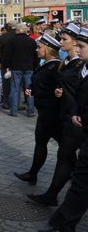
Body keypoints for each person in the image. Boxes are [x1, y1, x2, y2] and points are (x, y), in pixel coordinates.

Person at [29, 23, 84, 206]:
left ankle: (53, 196)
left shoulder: (78, 64)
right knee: (66, 157)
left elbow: (79, 90)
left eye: (64, 39)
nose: (61, 42)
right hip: (67, 115)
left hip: (75, 117)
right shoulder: (69, 63)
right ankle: (52, 195)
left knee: (66, 157)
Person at [42, 27, 88, 232]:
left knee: (80, 178)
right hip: (76, 121)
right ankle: (62, 223)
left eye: (81, 46)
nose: (78, 50)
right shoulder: (82, 66)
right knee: (80, 180)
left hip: (78, 125)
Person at [15, 33, 62, 186]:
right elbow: (40, 82)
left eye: (40, 47)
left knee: (47, 143)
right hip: (45, 111)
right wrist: (31, 89)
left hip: (51, 112)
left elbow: (59, 88)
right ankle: (33, 174)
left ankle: (33, 174)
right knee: (49, 143)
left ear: (48, 49)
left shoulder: (56, 66)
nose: (37, 50)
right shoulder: (46, 64)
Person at [3, 23, 38, 117]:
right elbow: (36, 56)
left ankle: (14, 110)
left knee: (15, 89)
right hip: (29, 68)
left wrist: (7, 66)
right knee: (29, 89)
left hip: (16, 68)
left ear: (17, 30)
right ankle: (30, 111)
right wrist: (35, 67)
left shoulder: (12, 41)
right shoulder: (32, 41)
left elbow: (7, 55)